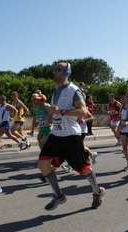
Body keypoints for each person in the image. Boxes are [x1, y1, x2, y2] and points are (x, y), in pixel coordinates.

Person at [38, 62, 105, 210]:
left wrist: (61, 112)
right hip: (56, 136)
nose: (54, 72)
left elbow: (83, 111)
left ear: (66, 73)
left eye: (58, 69)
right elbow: (55, 110)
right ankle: (59, 196)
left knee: (84, 170)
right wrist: (51, 116)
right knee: (43, 164)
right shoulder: (55, 91)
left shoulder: (74, 90)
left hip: (71, 137)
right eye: (54, 69)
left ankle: (97, 192)